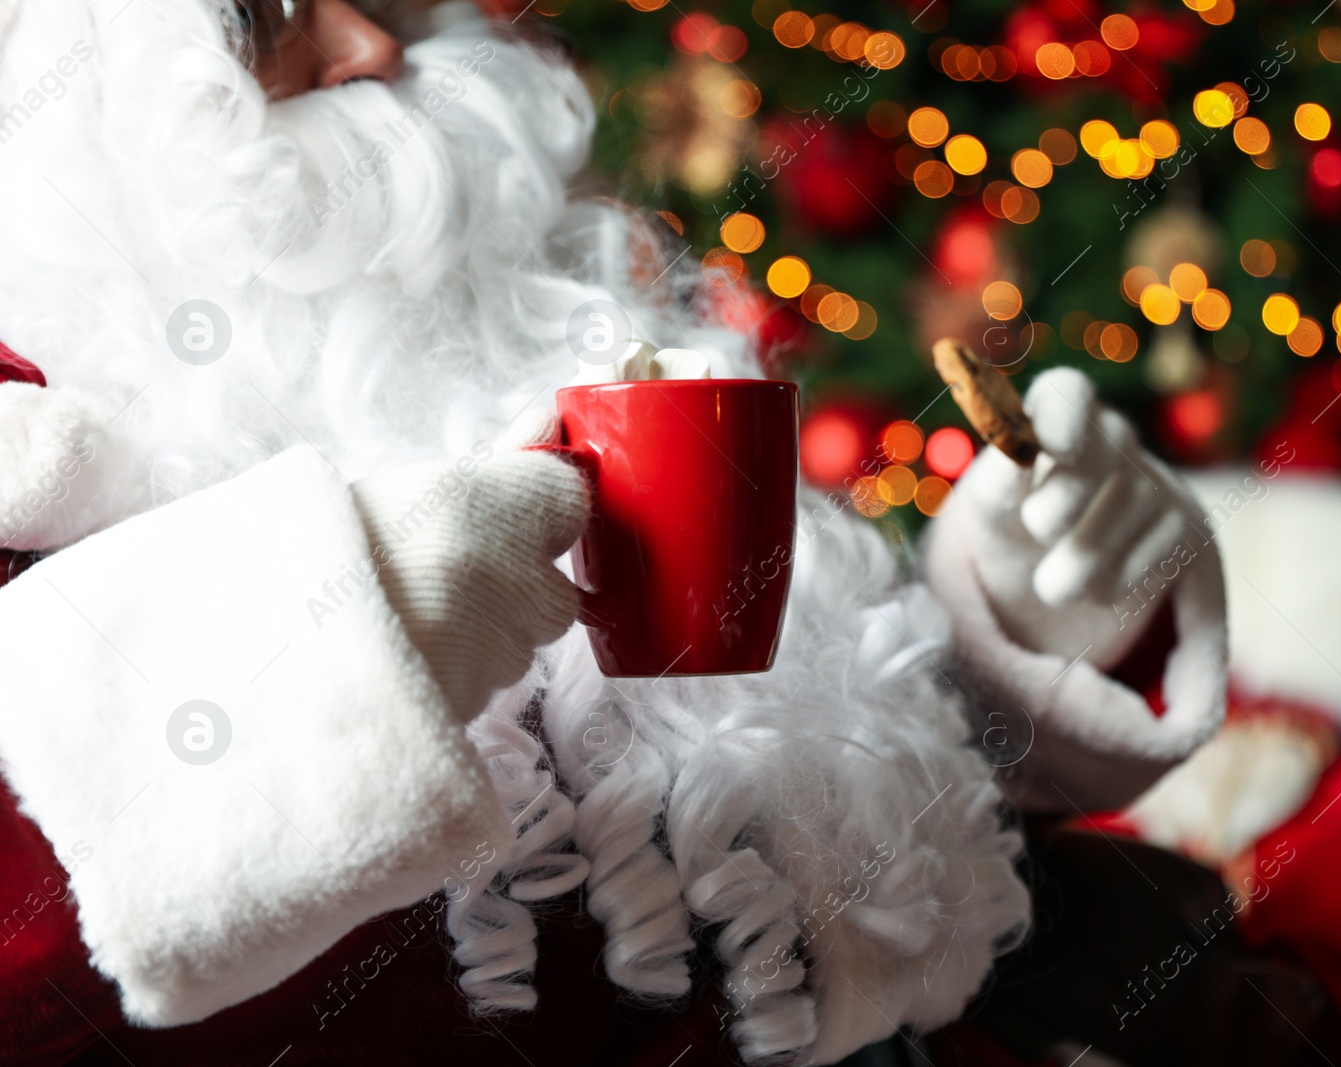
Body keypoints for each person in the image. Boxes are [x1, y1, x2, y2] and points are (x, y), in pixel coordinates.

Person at [0, 1, 1227, 1063]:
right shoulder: (33, 455)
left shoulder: (515, 334)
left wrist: (1007, 642)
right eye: (260, 17)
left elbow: (757, 856)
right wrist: (346, 629)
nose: (376, 48)